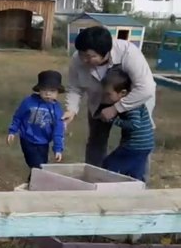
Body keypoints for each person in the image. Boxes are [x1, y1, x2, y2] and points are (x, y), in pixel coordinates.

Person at [63, 26, 156, 167]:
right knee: (96, 140)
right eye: (82, 54)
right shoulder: (78, 59)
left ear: (106, 52)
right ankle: (93, 177)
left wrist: (116, 108)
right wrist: (71, 109)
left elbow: (146, 88)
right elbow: (74, 87)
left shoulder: (128, 52)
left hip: (133, 100)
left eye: (90, 56)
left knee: (137, 143)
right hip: (99, 100)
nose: (84, 60)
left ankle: (139, 182)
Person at [99, 67, 155, 182]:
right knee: (135, 172)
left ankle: (108, 186)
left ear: (123, 93)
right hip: (146, 145)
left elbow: (135, 125)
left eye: (108, 94)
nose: (106, 98)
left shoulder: (131, 106)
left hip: (135, 145)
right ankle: (137, 188)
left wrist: (113, 120)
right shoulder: (131, 102)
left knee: (109, 165)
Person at [7, 70, 65, 180]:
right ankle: (34, 184)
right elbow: (18, 116)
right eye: (44, 90)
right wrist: (12, 131)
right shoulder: (28, 102)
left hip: (43, 142)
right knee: (37, 165)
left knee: (42, 165)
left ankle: (32, 185)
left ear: (58, 92)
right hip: (27, 138)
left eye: (52, 91)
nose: (48, 94)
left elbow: (58, 130)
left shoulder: (57, 110)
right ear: (39, 90)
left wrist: (58, 149)